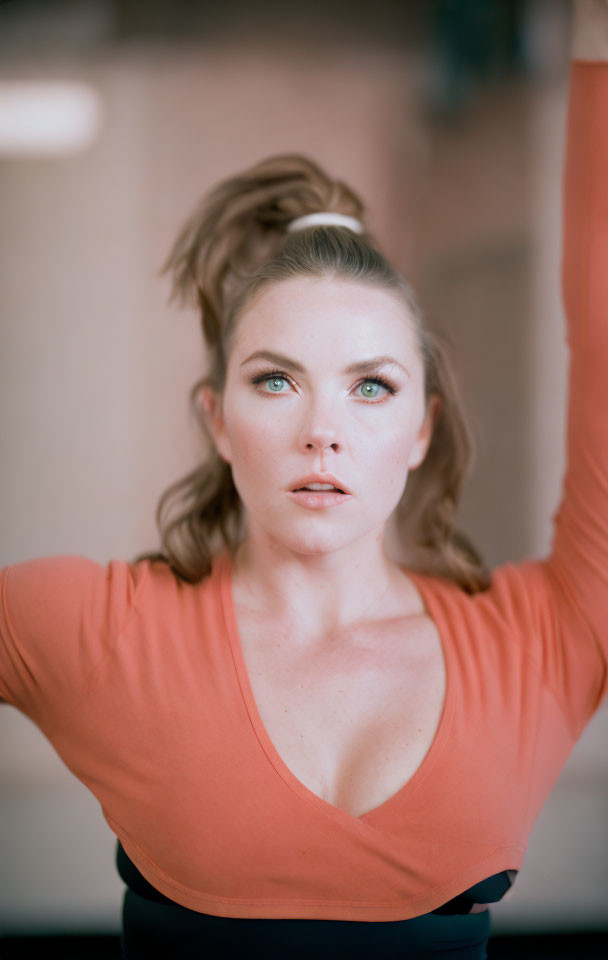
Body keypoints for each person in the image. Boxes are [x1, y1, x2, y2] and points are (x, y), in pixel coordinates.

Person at [1, 2, 606, 957]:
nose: (323, 431)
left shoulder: (541, 641)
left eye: (372, 387)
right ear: (217, 419)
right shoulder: (99, 632)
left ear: (421, 431)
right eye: (277, 380)